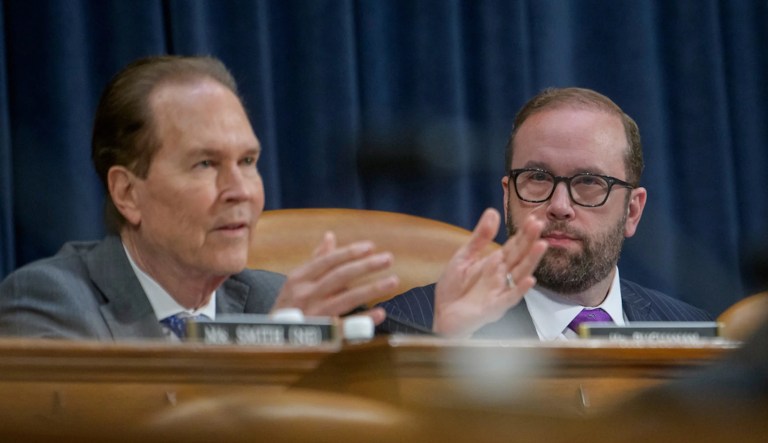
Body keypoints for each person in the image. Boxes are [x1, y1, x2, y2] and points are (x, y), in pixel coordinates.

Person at [0, 55, 545, 341]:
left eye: (248, 162)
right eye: (205, 164)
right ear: (127, 192)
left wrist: (445, 330)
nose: (239, 191)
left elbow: (380, 403)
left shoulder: (267, 296)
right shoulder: (49, 303)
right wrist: (264, 349)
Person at [379, 87, 712, 339]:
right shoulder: (411, 326)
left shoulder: (695, 333)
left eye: (589, 182)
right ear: (508, 196)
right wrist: (443, 352)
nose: (559, 206)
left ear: (633, 211)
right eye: (538, 178)